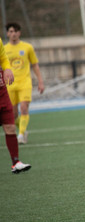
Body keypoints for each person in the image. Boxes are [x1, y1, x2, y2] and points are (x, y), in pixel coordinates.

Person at [5, 22, 45, 144]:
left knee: (24, 108)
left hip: (25, 83)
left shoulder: (27, 47)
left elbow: (35, 65)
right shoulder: (4, 49)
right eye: (11, 31)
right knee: (13, 113)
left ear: (19, 33)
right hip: (10, 84)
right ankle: (23, 129)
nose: (13, 34)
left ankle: (21, 134)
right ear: (7, 33)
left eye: (15, 31)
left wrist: (40, 81)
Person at [0, 35, 31, 173]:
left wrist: (7, 68)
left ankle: (16, 162)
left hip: (2, 92)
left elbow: (4, 59)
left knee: (10, 127)